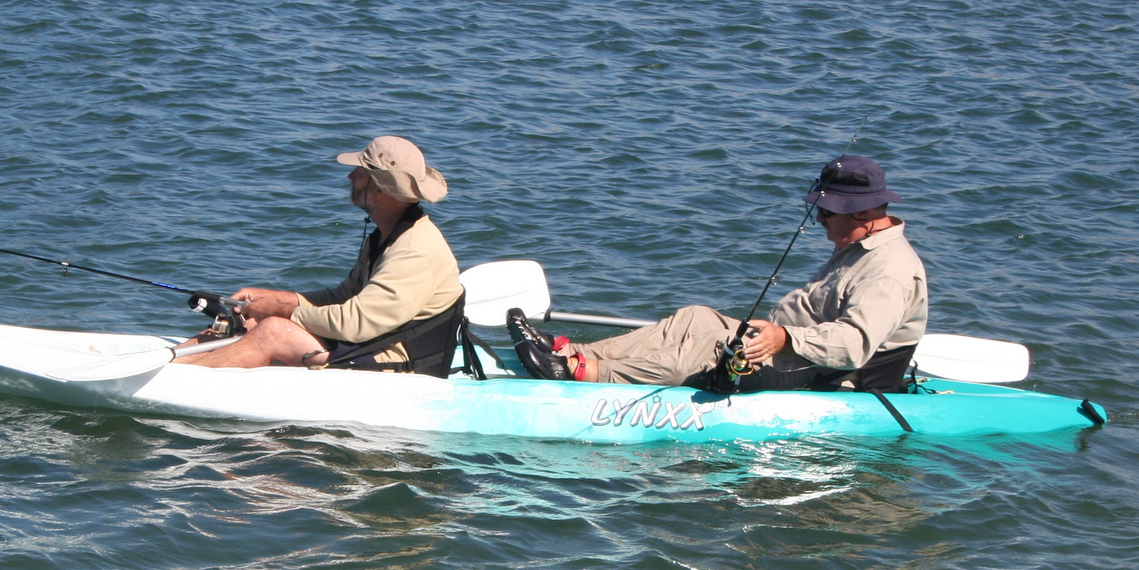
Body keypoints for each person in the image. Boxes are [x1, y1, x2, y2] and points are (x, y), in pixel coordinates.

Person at [509, 154, 928, 393]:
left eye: (826, 210)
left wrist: (785, 338)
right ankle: (574, 351)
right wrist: (778, 336)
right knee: (696, 317)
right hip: (784, 345)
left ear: (865, 213)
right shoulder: (858, 245)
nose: (818, 218)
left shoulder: (888, 272)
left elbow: (854, 345)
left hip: (825, 372)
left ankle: (585, 374)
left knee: (712, 347)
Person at [176, 136, 465, 376]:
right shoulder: (387, 236)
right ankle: (172, 365)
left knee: (273, 331)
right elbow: (344, 296)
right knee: (247, 323)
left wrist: (280, 312)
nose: (350, 175)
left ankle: (180, 384)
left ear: (379, 188)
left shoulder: (414, 251)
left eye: (360, 172)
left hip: (394, 362)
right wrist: (277, 299)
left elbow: (356, 323)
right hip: (370, 341)